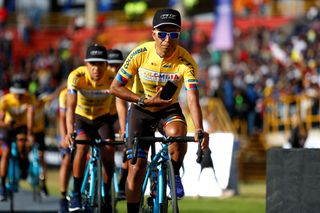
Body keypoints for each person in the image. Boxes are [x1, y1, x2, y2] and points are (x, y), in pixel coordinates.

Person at [110, 8, 209, 213]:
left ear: (179, 35)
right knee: (136, 168)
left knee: (178, 133)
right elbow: (115, 87)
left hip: (168, 109)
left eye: (173, 34)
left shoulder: (186, 61)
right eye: (162, 33)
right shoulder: (140, 53)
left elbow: (192, 96)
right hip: (141, 109)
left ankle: (173, 173)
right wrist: (143, 99)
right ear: (153, 33)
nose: (167, 39)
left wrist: (199, 128)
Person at [64, 44, 126, 212]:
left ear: (106, 64)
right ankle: (75, 193)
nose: (96, 68)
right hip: (82, 118)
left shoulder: (113, 77)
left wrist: (123, 128)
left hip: (101, 120)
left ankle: (106, 193)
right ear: (86, 63)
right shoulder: (76, 76)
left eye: (100, 63)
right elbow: (70, 107)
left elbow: (121, 104)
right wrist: (69, 130)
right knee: (82, 146)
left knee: (108, 151)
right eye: (93, 63)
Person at [0, 79, 35, 201]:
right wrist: (6, 124)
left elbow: (30, 116)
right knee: (6, 153)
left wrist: (30, 133)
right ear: (12, 91)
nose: (19, 96)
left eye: (21, 93)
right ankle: (3, 185)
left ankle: (23, 164)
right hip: (8, 126)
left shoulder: (29, 98)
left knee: (24, 143)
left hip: (22, 126)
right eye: (16, 93)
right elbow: (1, 120)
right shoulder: (5, 100)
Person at [107, 49, 128, 199]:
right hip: (99, 117)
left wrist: (123, 127)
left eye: (117, 66)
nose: (114, 69)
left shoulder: (124, 78)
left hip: (117, 117)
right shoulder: (101, 77)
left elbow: (122, 103)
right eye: (111, 66)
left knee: (128, 147)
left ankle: (122, 184)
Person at [57, 87, 72, 213]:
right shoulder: (64, 94)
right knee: (67, 160)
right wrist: (63, 138)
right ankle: (63, 197)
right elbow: (62, 118)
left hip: (82, 126)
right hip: (68, 129)